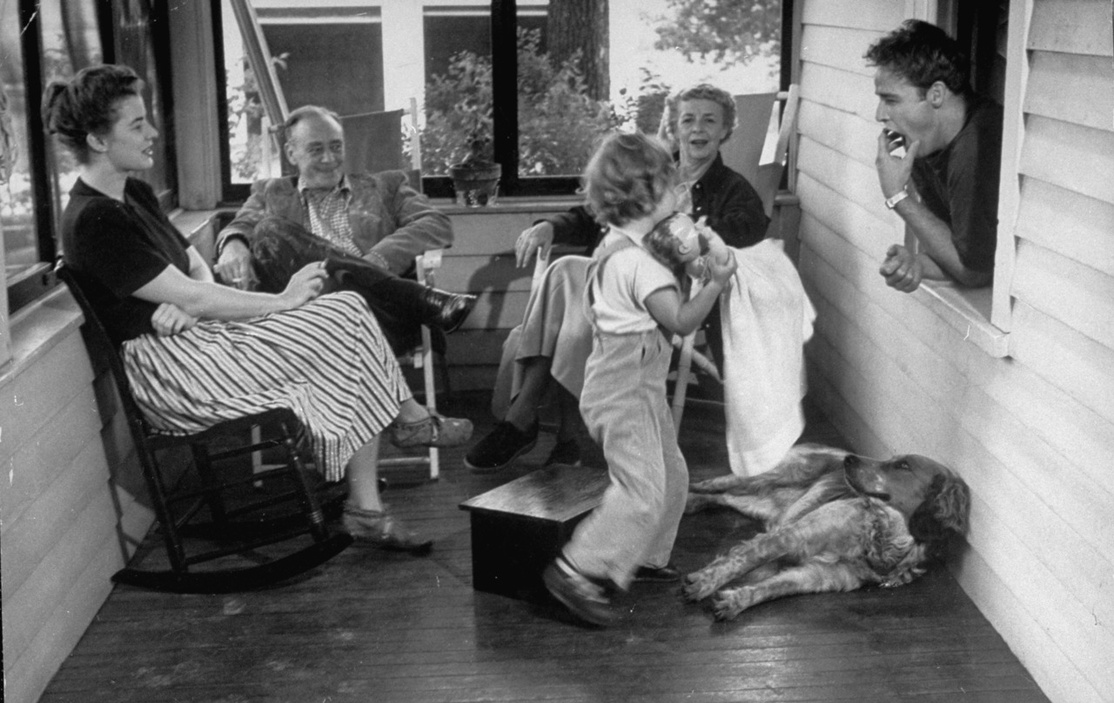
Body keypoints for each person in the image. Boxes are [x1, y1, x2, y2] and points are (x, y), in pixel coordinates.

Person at [47, 64, 472, 554]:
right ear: (98, 140)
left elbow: (192, 270)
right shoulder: (93, 219)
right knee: (344, 328)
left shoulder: (134, 194)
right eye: (138, 124)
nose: (153, 134)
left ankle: (374, 492)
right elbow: (192, 291)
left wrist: (187, 303)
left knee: (349, 308)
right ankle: (393, 454)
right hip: (174, 370)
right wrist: (275, 300)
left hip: (197, 337)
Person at [465, 83, 769, 472]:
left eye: (709, 120)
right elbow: (594, 212)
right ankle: (547, 430)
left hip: (661, 297)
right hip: (616, 285)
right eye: (688, 119)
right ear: (673, 127)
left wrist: (684, 228)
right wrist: (551, 227)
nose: (697, 128)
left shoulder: (732, 189)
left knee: (574, 311)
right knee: (564, 273)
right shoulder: (654, 170)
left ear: (725, 130)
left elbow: (747, 231)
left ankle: (534, 423)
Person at [541, 132, 738, 626]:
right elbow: (683, 321)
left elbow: (669, 268)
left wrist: (694, 259)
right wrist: (715, 282)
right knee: (641, 489)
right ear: (646, 197)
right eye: (673, 186)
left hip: (637, 383)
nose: (682, 194)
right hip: (622, 390)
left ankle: (643, 556)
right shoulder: (636, 263)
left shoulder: (627, 243)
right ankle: (576, 568)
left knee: (672, 476)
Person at [214, 104, 476, 353]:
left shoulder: (386, 187)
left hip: (375, 319)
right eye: (316, 149)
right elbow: (242, 224)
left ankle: (381, 289)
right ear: (291, 153)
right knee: (268, 229)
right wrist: (233, 242)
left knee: (271, 232)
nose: (329, 158)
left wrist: (375, 261)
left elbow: (435, 223)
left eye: (336, 146)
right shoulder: (271, 194)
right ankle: (417, 297)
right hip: (304, 320)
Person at [866, 19, 1003, 293]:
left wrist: (898, 197)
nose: (880, 115)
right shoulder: (924, 140)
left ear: (936, 94)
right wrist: (918, 263)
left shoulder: (978, 145)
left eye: (891, 100)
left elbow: (974, 272)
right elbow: (953, 248)